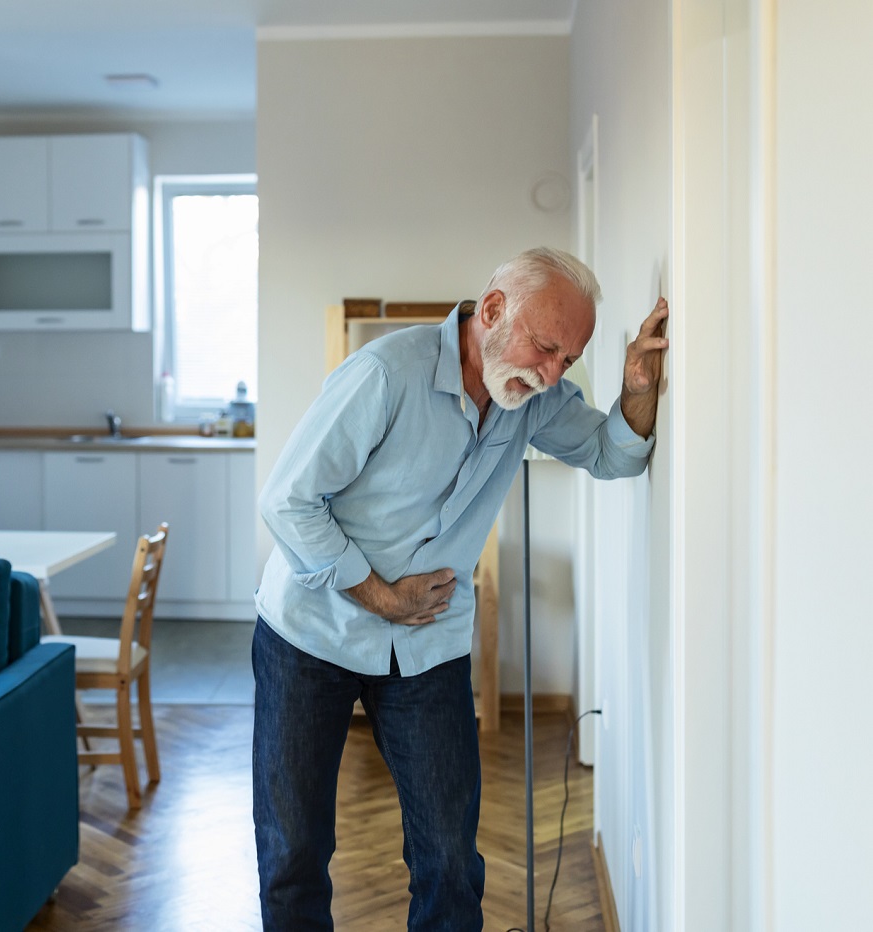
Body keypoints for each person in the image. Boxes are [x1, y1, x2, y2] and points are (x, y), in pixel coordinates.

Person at [253, 247, 669, 931]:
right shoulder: (387, 374)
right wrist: (382, 597)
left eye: (567, 360)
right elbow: (288, 502)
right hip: (311, 635)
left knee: (449, 857)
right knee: (294, 852)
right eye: (544, 348)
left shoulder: (533, 401)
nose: (551, 374)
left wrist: (636, 389)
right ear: (495, 310)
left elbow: (611, 455)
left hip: (427, 647)